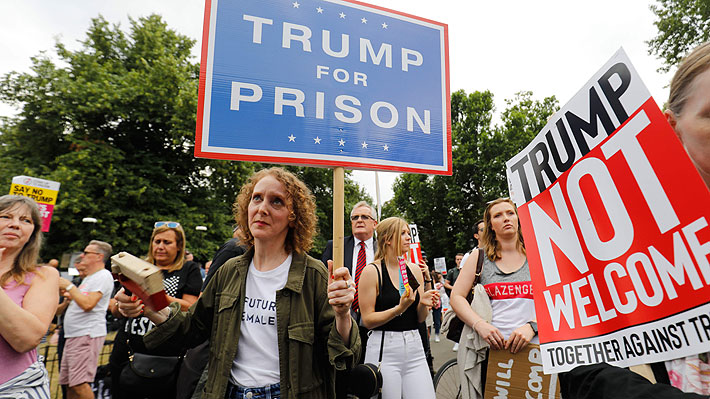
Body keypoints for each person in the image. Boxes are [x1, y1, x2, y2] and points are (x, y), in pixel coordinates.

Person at [116, 167, 360, 398]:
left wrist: (342, 314)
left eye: (276, 201)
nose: (262, 208)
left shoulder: (314, 275)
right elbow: (192, 330)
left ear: (294, 217)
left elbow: (345, 357)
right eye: (256, 198)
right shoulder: (229, 272)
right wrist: (148, 306)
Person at [450, 198, 536, 398]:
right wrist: (479, 325)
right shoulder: (478, 258)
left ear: (518, 218)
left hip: (535, 353)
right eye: (498, 215)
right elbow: (456, 297)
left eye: (510, 213)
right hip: (493, 354)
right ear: (490, 226)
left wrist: (532, 326)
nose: (506, 218)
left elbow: (556, 298)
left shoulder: (537, 255)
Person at [108, 222, 202, 399]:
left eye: (167, 242)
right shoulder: (136, 267)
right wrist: (123, 307)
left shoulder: (189, 269)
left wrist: (153, 295)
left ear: (179, 246)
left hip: (167, 356)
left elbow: (190, 307)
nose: (160, 246)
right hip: (128, 351)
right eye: (157, 241)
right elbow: (114, 307)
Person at [358, 216, 438, 399]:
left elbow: (418, 317)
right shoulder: (372, 272)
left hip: (414, 346)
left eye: (408, 233)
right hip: (384, 348)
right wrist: (398, 308)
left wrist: (424, 303)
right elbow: (368, 320)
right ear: (387, 239)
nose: (408, 238)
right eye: (402, 233)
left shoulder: (412, 269)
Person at [0, 195, 59, 397]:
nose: (15, 225)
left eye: (26, 220)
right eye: (6, 216)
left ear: (33, 233)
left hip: (15, 388)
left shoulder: (43, 276)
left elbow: (27, 339)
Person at [322, 201, 378, 398]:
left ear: (375, 223)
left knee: (371, 378)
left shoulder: (384, 248)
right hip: (343, 321)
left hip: (376, 323)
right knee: (343, 376)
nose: (359, 220)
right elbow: (324, 280)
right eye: (355, 217)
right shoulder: (335, 246)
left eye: (364, 217)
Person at [58, 240, 115, 399]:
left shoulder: (103, 276)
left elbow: (88, 304)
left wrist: (69, 287)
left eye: (86, 252)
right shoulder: (91, 277)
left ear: (99, 256)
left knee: (79, 383)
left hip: (86, 334)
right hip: (75, 334)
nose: (82, 255)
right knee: (69, 382)